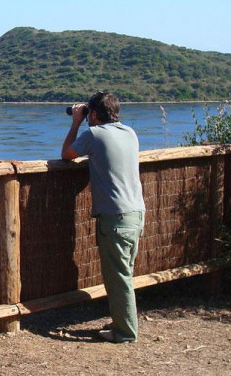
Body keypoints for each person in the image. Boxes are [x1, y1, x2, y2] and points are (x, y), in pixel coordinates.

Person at [61, 90, 145, 343]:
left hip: (115, 218)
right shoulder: (130, 133)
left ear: (94, 114)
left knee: (118, 278)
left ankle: (125, 333)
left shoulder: (93, 134)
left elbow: (67, 154)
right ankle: (122, 321)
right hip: (135, 213)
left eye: (88, 114)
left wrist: (76, 121)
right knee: (124, 274)